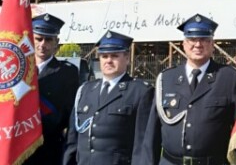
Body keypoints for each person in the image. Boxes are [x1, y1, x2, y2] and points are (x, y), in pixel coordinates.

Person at [139, 13, 236, 165]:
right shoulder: (167, 78)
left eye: (204, 39)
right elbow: (151, 134)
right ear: (184, 44)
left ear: (212, 44)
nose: (198, 44)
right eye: (192, 40)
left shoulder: (228, 78)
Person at [63, 31, 154, 165]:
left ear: (127, 58)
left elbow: (143, 145)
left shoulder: (140, 92)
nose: (109, 60)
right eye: (104, 56)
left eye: (114, 56)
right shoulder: (85, 90)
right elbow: (73, 140)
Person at [24, 13, 79, 165]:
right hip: (17, 147)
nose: (42, 44)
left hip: (48, 149)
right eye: (38, 39)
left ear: (57, 43)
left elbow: (70, 115)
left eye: (48, 40)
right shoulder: (19, 70)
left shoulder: (68, 72)